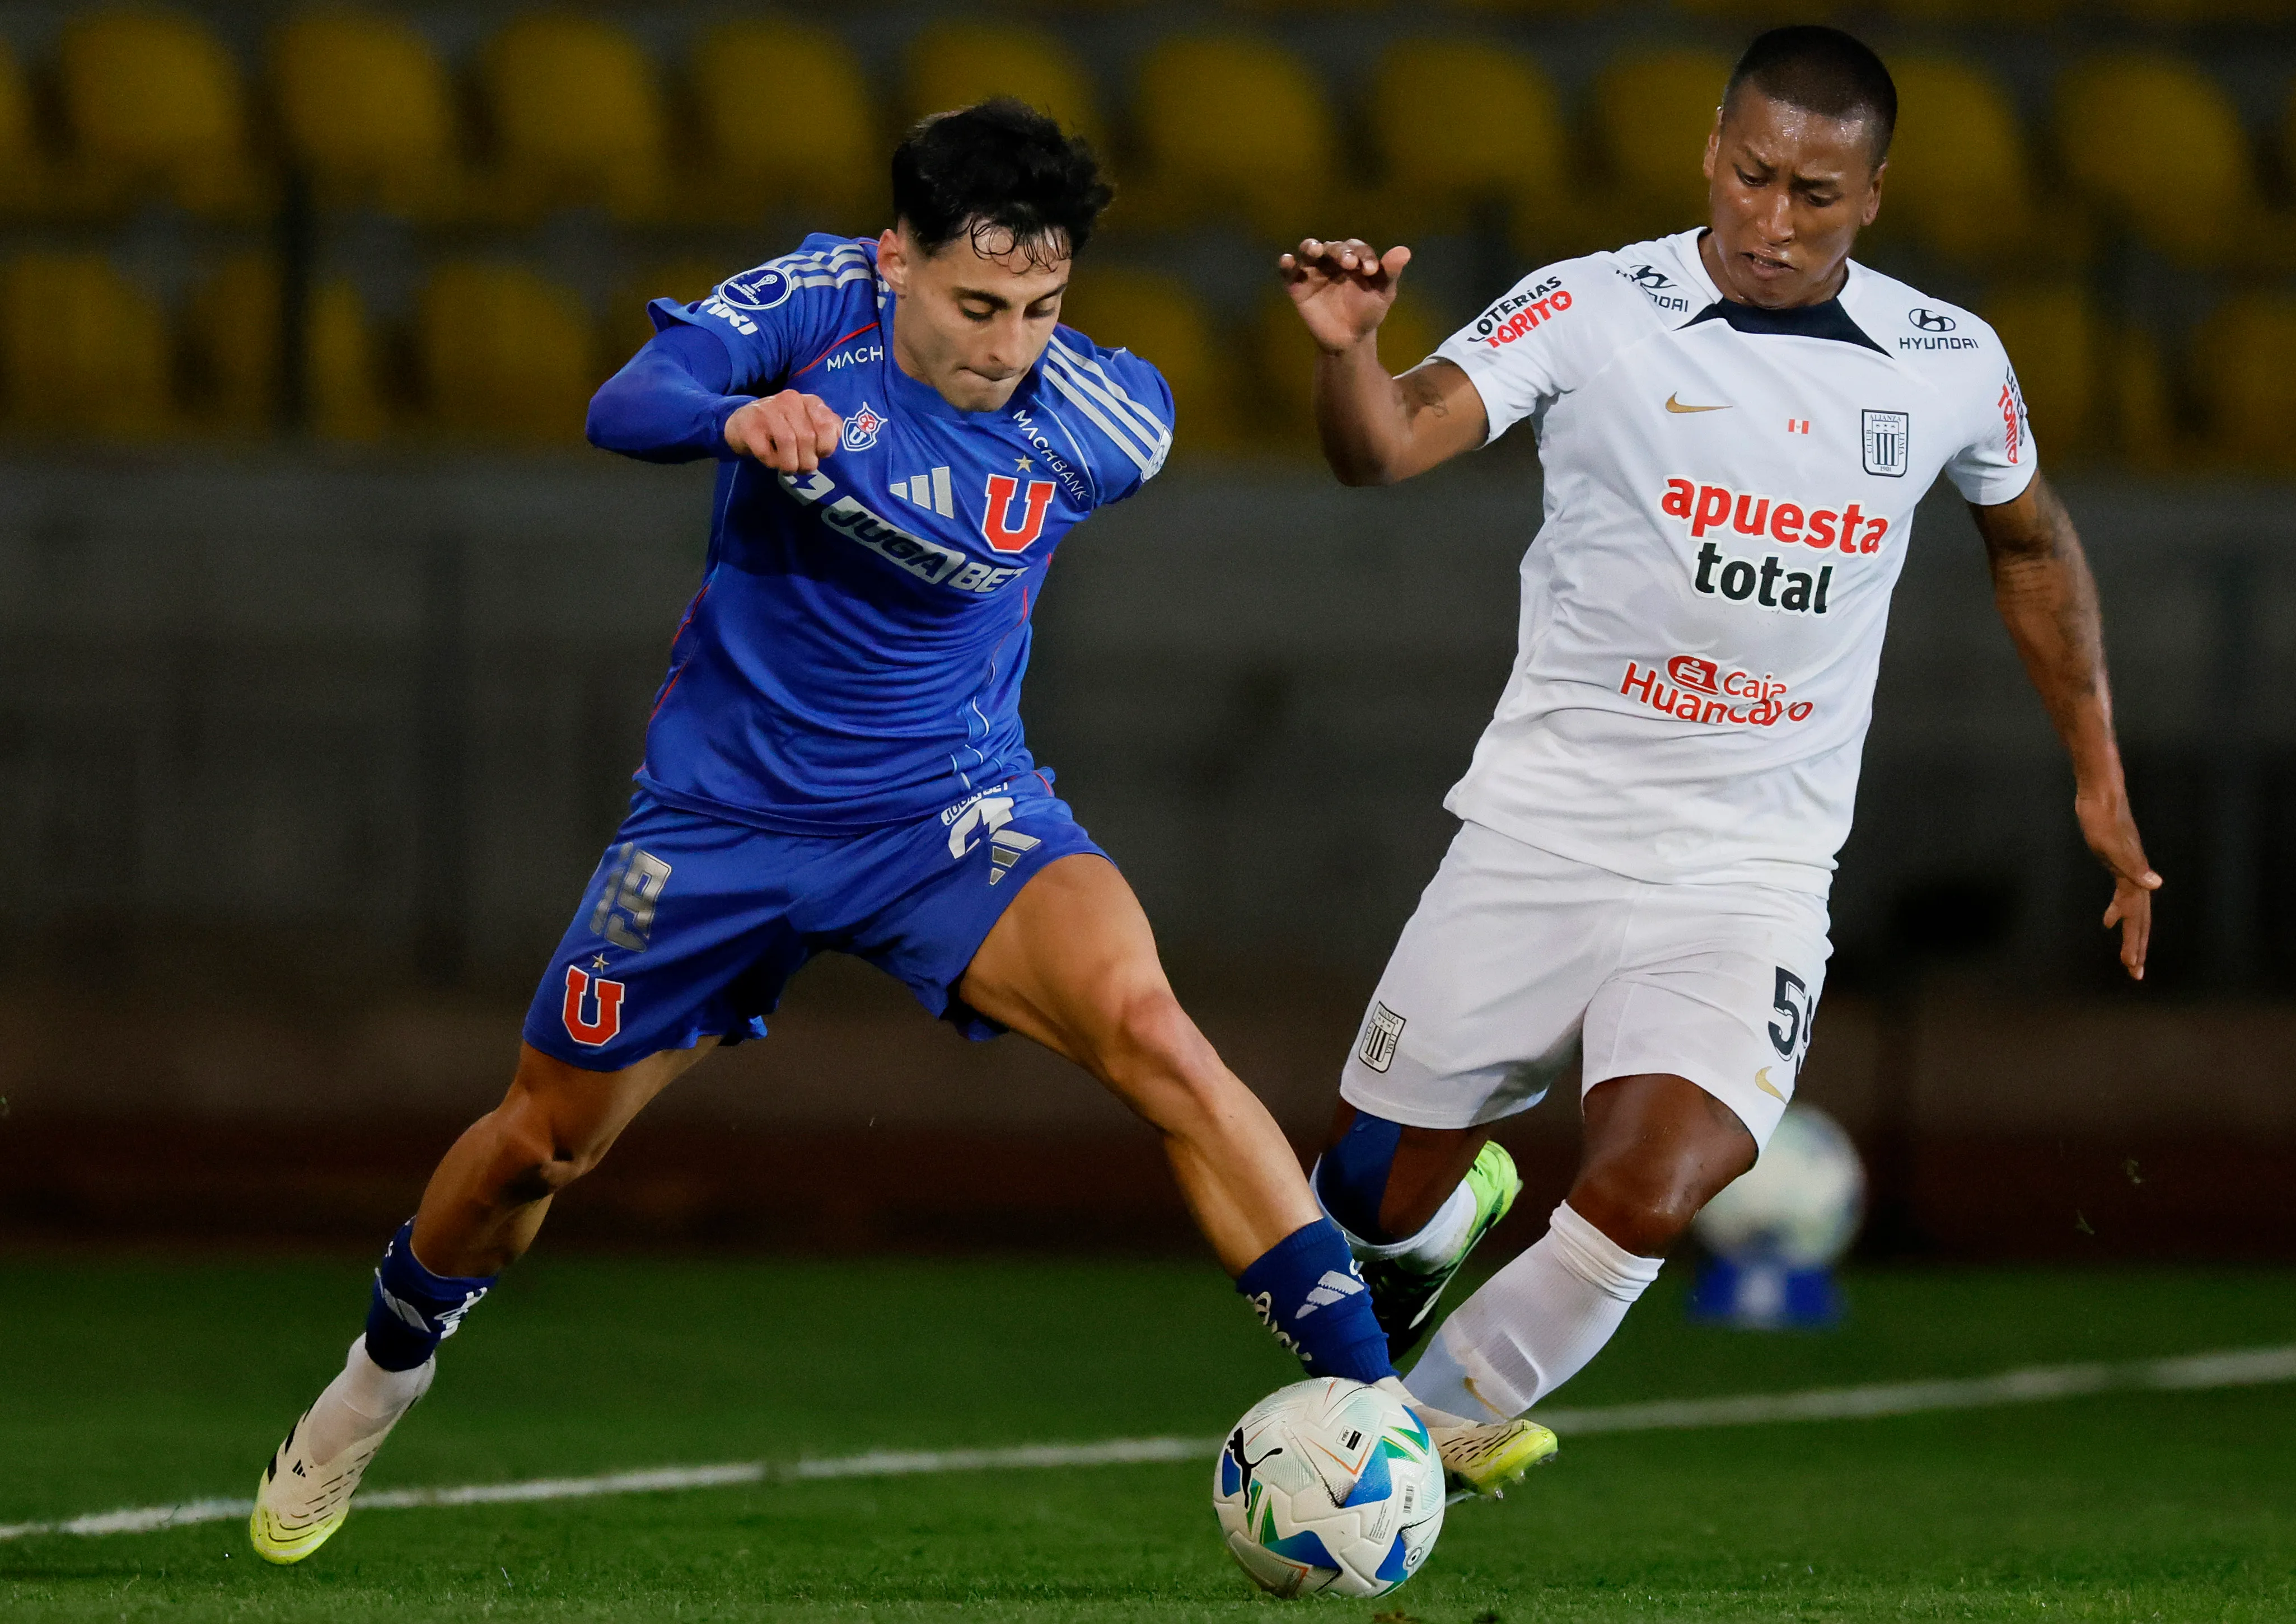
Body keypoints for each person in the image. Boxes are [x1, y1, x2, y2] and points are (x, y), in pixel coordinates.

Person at [250, 100, 1528, 1566]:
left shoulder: (1104, 419)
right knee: (539, 1144)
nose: (1006, 342)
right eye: (977, 303)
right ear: (894, 261)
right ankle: (371, 1384)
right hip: (716, 824)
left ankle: (1378, 1399)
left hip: (951, 813)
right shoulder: (806, 308)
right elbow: (627, 400)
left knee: (1151, 1030)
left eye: (1041, 307)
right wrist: (735, 416)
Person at [1284, 26, 2160, 1451]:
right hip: (1541, 831)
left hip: (1748, 871)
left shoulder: (1946, 358)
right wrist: (1350, 353)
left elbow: (2032, 545)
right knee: (1367, 1201)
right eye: (1751, 175)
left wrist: (2100, 773)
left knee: (1645, 1185)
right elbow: (1380, 444)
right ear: (1710, 148)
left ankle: (1412, 1461)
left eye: (1815, 193)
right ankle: (1437, 1230)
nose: (1771, 217)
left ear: (1873, 194)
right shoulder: (1586, 306)